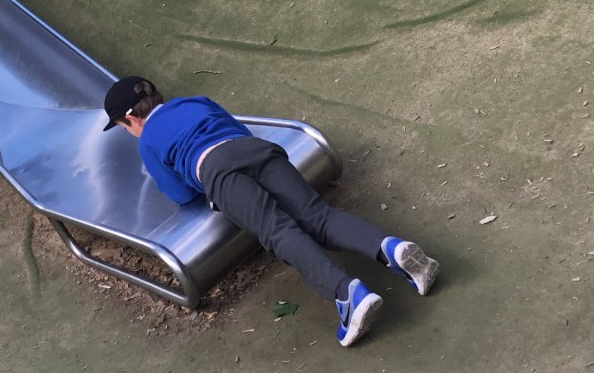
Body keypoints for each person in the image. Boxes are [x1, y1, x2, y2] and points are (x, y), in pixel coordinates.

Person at [102, 75, 440, 347]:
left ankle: (347, 293)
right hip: (255, 149)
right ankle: (391, 248)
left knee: (279, 231)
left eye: (123, 127)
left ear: (131, 118)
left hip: (216, 170)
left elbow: (179, 193)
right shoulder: (194, 101)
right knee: (318, 216)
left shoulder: (147, 141)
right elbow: (237, 129)